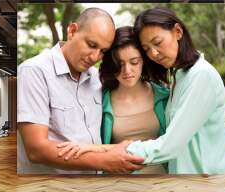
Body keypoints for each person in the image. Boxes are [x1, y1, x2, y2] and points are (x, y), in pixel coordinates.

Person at [17, 8, 145, 174]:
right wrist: (103, 161)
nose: (94, 57)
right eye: (91, 45)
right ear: (72, 31)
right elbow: (36, 149)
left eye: (103, 51)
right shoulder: (34, 71)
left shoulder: (96, 79)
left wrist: (116, 149)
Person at [126, 7, 225, 174]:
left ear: (177, 32)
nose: (153, 53)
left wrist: (122, 149)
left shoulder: (201, 75)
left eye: (158, 42)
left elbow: (170, 146)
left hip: (206, 186)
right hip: (184, 182)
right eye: (146, 49)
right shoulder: (178, 76)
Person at [57, 26, 170, 174]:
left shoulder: (165, 96)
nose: (127, 71)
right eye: (119, 64)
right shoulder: (99, 99)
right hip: (116, 184)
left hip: (161, 183)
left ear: (144, 61)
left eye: (134, 62)